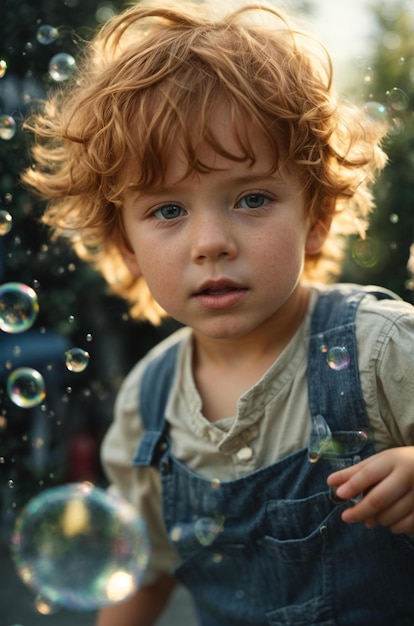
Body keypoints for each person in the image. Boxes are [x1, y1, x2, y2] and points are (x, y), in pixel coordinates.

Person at [22, 1, 414, 624]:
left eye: (252, 197)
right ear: (125, 242)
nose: (211, 241)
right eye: (168, 211)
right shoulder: (147, 403)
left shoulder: (380, 349)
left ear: (316, 219)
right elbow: (141, 569)